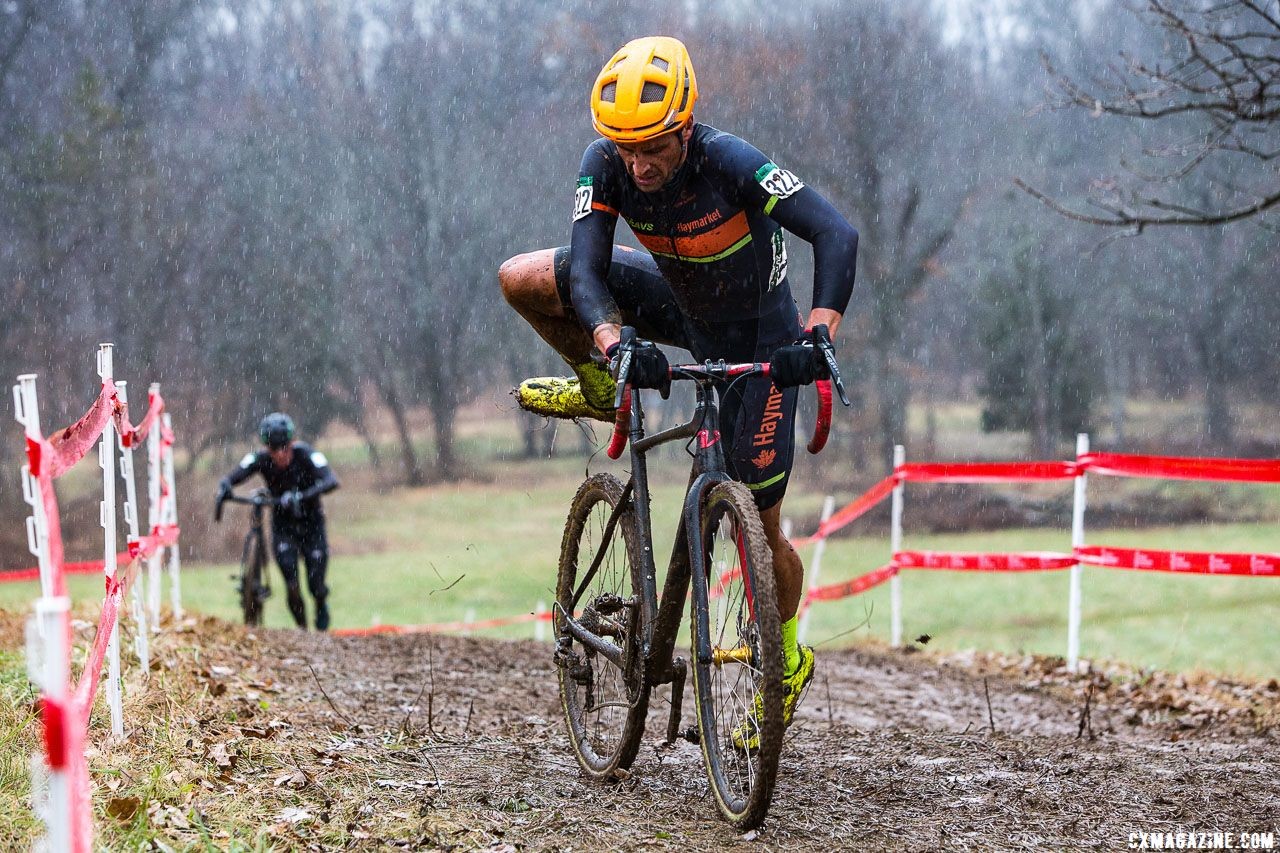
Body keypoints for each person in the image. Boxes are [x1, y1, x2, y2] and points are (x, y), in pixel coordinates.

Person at [500, 36, 858, 749]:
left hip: (760, 339)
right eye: (625, 146)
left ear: (685, 124)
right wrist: (614, 342)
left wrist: (818, 335)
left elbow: (835, 231)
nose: (639, 163)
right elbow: (589, 272)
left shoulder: (729, 160)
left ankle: (783, 665)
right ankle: (600, 385)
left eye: (653, 146)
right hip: (683, 310)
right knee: (523, 276)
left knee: (761, 519)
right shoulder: (606, 164)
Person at [217, 413, 340, 631]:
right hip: (283, 526)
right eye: (274, 449)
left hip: (312, 525)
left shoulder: (306, 454)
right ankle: (302, 630)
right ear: (267, 448)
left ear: (292, 443)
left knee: (316, 584)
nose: (280, 454)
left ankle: (321, 604)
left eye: (284, 447)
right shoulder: (261, 458)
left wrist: (303, 496)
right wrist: (226, 484)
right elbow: (239, 471)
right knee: (291, 583)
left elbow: (331, 481)